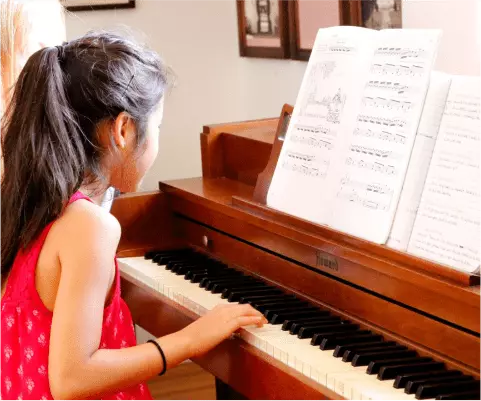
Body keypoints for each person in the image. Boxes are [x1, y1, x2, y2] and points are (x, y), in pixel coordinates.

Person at [0, 31, 267, 401]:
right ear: (124, 129)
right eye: (156, 127)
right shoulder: (88, 227)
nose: (156, 139)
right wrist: (190, 340)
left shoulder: (35, 204)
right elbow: (71, 379)